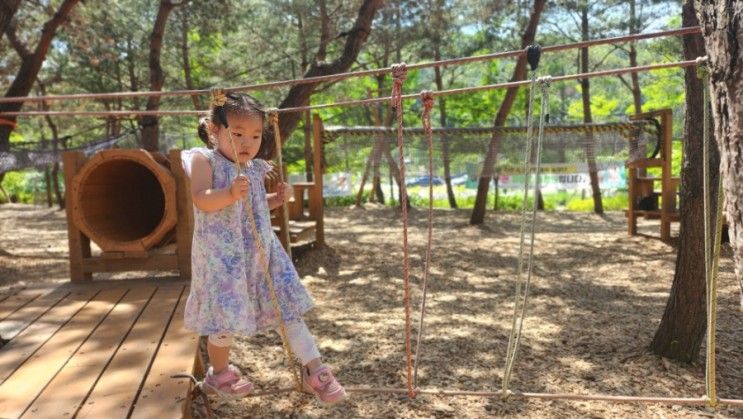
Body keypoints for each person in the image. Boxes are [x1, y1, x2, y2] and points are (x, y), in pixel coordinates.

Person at [181, 91, 345, 404]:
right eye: (238, 134)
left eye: (255, 135)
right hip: (223, 259)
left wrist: (276, 199)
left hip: (262, 253)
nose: (247, 143)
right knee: (224, 322)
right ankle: (220, 375)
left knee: (289, 312)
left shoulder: (254, 168)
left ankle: (316, 371)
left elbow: (252, 207)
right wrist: (228, 193)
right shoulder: (204, 160)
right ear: (214, 130)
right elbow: (202, 198)